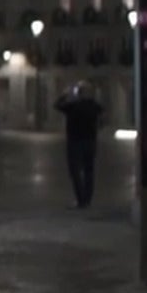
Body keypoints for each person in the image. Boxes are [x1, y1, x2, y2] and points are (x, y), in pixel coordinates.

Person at [55, 82, 104, 210]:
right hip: (90, 141)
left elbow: (57, 105)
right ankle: (87, 199)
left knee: (75, 171)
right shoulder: (93, 106)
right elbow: (102, 111)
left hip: (74, 142)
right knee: (89, 171)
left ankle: (80, 199)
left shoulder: (72, 105)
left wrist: (65, 95)